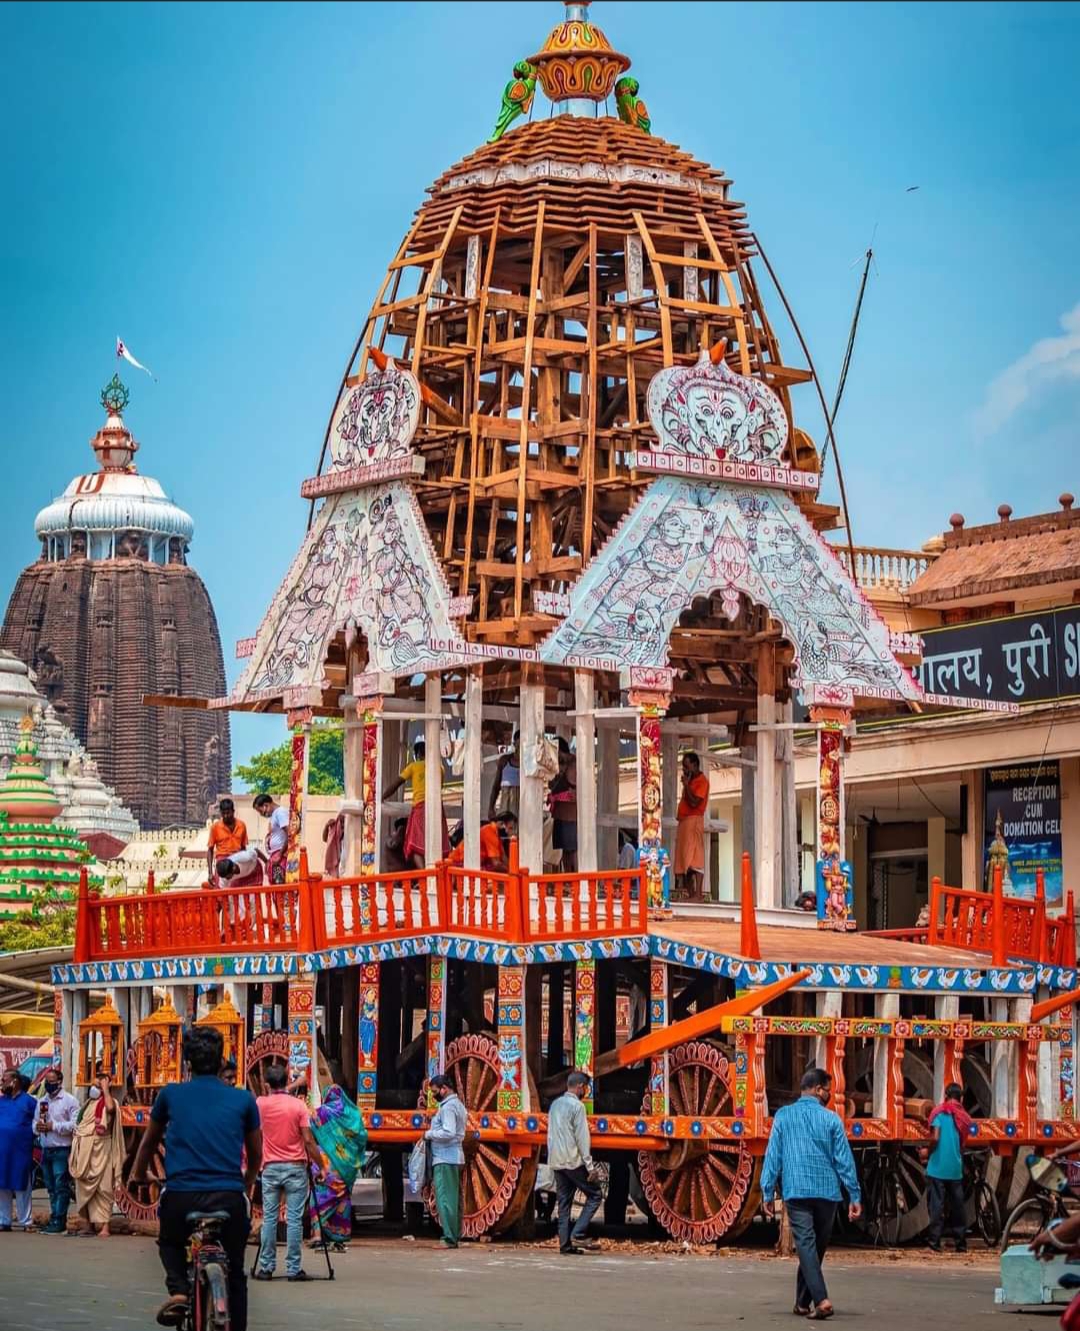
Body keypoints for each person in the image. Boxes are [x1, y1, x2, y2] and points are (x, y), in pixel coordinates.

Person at [131, 1026, 262, 1330]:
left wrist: (139, 1174)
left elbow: (148, 1143)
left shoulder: (170, 1095)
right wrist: (247, 1181)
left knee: (170, 1241)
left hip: (180, 1195)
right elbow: (256, 1154)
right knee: (237, 1273)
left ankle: (178, 1290)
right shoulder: (243, 1100)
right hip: (229, 1197)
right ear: (221, 1063)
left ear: (187, 1062)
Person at [761, 1067, 862, 1319]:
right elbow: (844, 1161)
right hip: (827, 1193)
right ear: (818, 1090)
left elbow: (773, 1156)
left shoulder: (783, 1117)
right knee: (814, 1248)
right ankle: (811, 1301)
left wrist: (766, 1191)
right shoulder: (832, 1120)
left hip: (796, 1190)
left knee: (807, 1246)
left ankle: (813, 1301)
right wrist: (854, 1194)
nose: (830, 1094)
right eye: (828, 1089)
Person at [253, 1064, 323, 1281]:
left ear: (266, 1085)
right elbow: (308, 1140)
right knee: (293, 1219)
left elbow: (254, 1133)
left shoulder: (260, 1104)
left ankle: (266, 1267)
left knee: (270, 1218)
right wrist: (321, 1165)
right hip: (295, 1167)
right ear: (287, 1082)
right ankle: (293, 1268)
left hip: (271, 1166)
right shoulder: (298, 1106)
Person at [547, 1070, 602, 1255]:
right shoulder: (577, 1107)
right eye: (585, 1087)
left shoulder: (554, 1105)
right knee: (595, 1195)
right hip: (573, 1161)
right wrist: (590, 1166)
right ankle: (578, 1233)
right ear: (579, 1087)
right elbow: (582, 1139)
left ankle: (565, 1245)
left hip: (557, 1161)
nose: (585, 1090)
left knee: (563, 1204)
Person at [307, 1085, 366, 1252]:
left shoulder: (322, 1112)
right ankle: (339, 1237)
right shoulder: (354, 1114)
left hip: (326, 1164)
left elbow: (308, 1127)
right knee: (343, 1198)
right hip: (347, 1165)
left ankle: (317, 1235)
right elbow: (362, 1137)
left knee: (318, 1197)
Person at [69, 1066, 124, 1237]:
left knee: (103, 1189)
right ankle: (87, 1225)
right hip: (84, 1149)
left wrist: (106, 1090)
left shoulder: (110, 1101)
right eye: (93, 1085)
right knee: (82, 1186)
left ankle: (105, 1227)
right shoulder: (88, 1104)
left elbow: (109, 1109)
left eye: (97, 1086)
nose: (93, 1089)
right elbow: (80, 1125)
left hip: (101, 1150)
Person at [384, 739, 449, 870]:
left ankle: (427, 876)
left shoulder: (414, 766)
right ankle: (435, 876)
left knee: (414, 847)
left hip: (420, 808)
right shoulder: (440, 768)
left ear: (418, 754)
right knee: (436, 845)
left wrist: (381, 797)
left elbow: (396, 784)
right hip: (437, 810)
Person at [922, 1081, 971, 1253]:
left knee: (937, 1205)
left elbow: (935, 1137)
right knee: (958, 1207)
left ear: (946, 1096)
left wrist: (927, 1152)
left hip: (937, 1167)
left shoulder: (939, 1113)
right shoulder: (964, 1117)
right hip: (955, 1168)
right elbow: (964, 1141)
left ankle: (934, 1243)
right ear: (961, 1098)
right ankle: (961, 1244)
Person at [424, 1072, 466, 1249]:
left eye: (435, 1091)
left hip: (445, 1158)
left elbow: (449, 1132)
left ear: (444, 1089)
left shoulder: (448, 1108)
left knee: (445, 1199)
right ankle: (454, 1235)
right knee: (454, 1199)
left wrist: (429, 1134)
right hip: (455, 1157)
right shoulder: (458, 1105)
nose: (434, 1095)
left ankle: (449, 1238)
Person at [36, 1066, 79, 1234]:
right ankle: (54, 1217)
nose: (49, 1085)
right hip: (46, 1149)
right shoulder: (42, 1101)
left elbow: (75, 1125)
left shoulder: (70, 1101)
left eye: (52, 1082)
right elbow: (35, 1122)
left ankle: (59, 1220)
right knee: (51, 1187)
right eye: (47, 1082)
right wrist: (38, 1127)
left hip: (61, 1149)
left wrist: (54, 1126)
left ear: (59, 1082)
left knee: (61, 1186)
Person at [0, 1068, 37, 1232]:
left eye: (4, 1079)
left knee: (22, 1186)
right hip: (2, 1151)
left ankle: (26, 1221)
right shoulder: (2, 1101)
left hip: (21, 1151)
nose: (2, 1083)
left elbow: (38, 1123)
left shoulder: (30, 1102)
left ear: (14, 1081)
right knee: (2, 1186)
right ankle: (4, 1220)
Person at [674, 752, 709, 901]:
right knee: (684, 860)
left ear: (695, 765)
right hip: (684, 822)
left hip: (694, 821)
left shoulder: (702, 781)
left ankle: (698, 894)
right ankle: (690, 893)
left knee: (695, 857)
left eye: (687, 767)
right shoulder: (691, 781)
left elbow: (694, 802)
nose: (685, 770)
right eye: (683, 767)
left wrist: (687, 785)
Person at [447, 810, 516, 872]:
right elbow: (496, 864)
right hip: (458, 863)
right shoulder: (489, 832)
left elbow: (503, 856)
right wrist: (512, 872)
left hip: (471, 863)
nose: (510, 832)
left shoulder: (496, 834)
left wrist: (513, 869)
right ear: (501, 824)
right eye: (510, 828)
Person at [549, 738, 578, 873]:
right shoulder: (558, 765)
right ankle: (567, 878)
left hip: (570, 815)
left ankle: (573, 879)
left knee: (572, 851)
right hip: (560, 814)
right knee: (564, 852)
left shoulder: (574, 764)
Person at [207, 798, 250, 883]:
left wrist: (245, 864)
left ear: (233, 811)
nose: (226, 816)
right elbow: (210, 850)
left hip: (237, 860)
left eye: (228, 813)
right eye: (223, 813)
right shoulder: (215, 827)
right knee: (221, 890)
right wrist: (210, 873)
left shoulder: (241, 825)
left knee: (237, 889)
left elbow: (243, 848)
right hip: (222, 863)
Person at [252, 793, 291, 884]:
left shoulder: (280, 812)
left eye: (262, 812)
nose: (263, 815)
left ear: (266, 805)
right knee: (276, 886)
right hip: (276, 856)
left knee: (279, 885)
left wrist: (280, 854)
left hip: (280, 857)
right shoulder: (275, 815)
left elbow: (290, 834)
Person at [488, 732, 521, 820]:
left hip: (522, 809)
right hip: (505, 806)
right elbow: (496, 787)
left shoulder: (529, 763)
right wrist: (491, 807)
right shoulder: (504, 761)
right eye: (518, 745)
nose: (520, 749)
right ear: (514, 744)